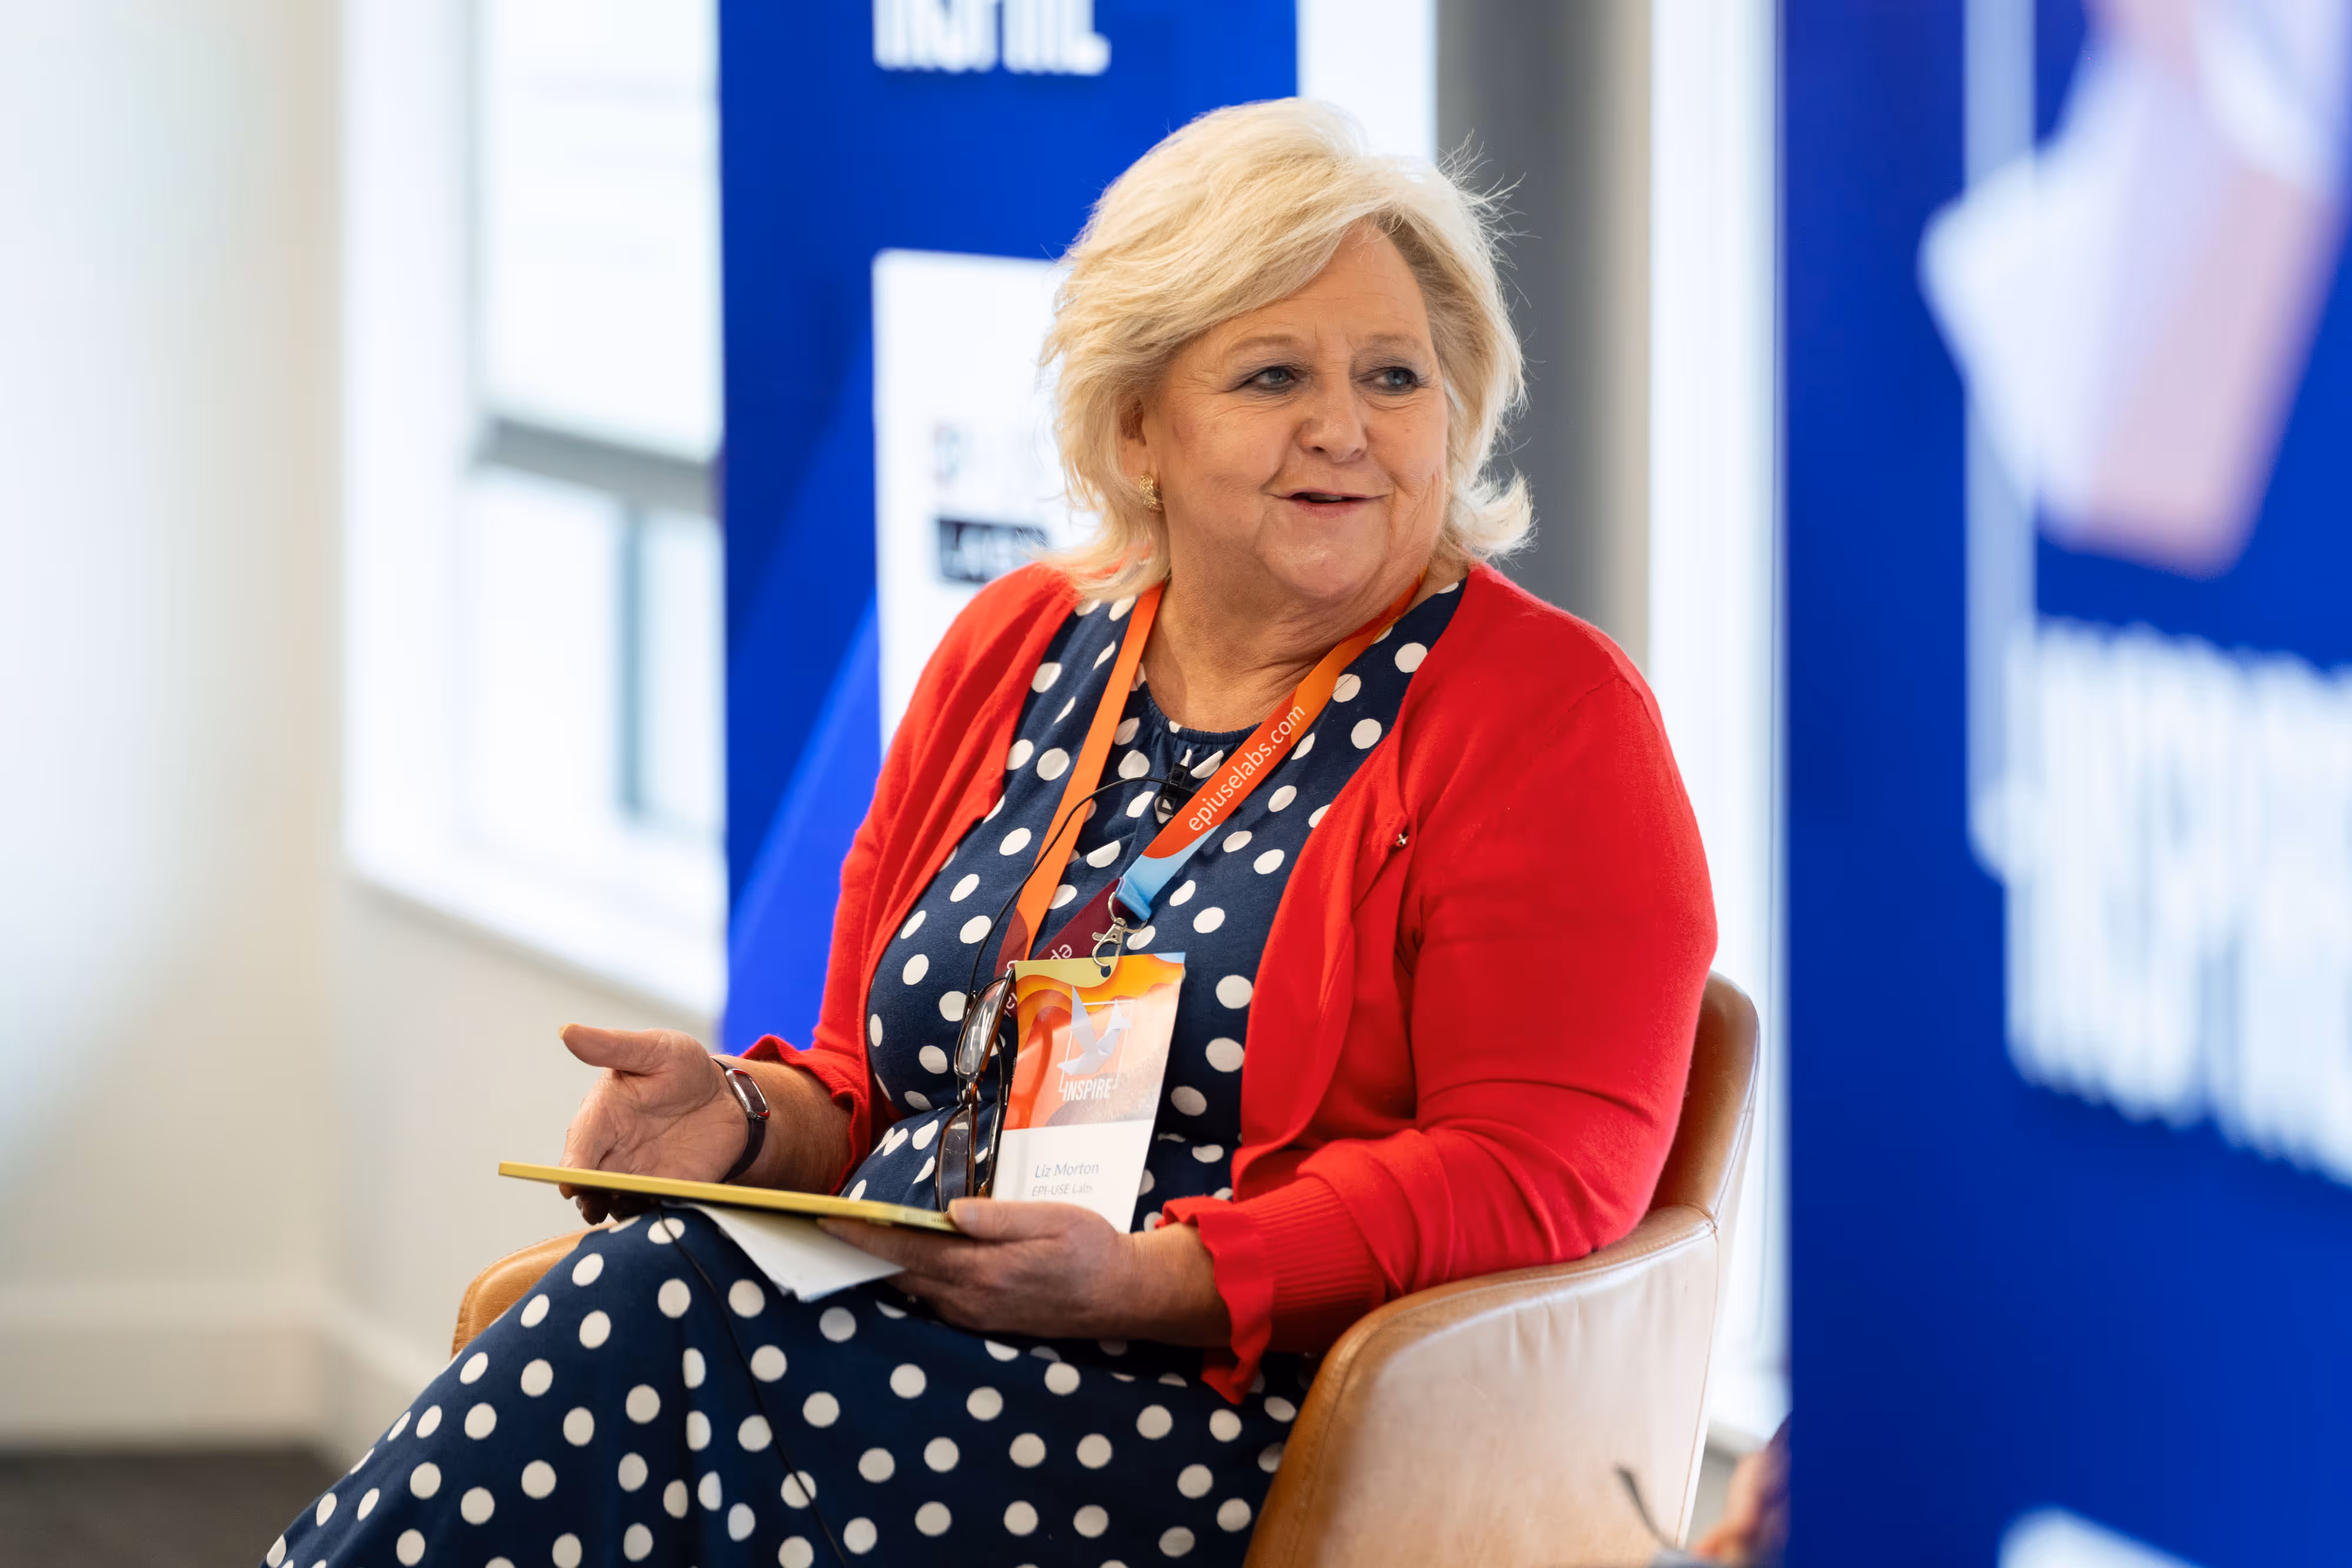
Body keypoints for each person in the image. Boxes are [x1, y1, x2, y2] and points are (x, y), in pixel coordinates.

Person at [263, 98, 1715, 1568]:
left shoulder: (1548, 717)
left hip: (1246, 1415)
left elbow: (1540, 1168)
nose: (1342, 428)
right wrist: (751, 1123)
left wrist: (1159, 1281)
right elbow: (870, 1077)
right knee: (661, 1285)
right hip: (906, 1316)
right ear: (1138, 423)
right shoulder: (1020, 642)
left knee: (655, 1335)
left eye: (1393, 377)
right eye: (1272, 374)